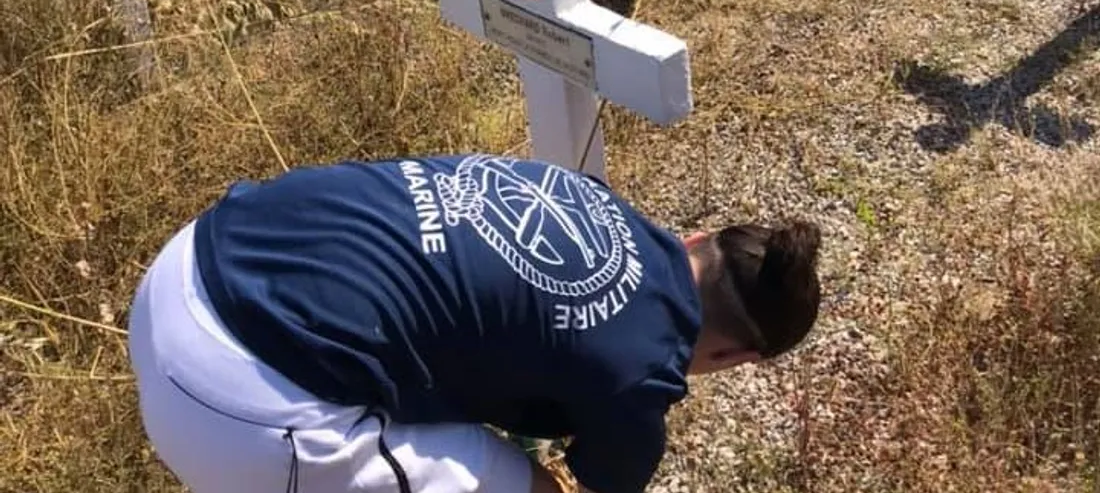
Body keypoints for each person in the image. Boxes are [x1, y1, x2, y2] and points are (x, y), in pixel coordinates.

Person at [127, 152, 823, 493]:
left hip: (190, 259)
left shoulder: (586, 192)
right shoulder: (642, 379)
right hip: (236, 406)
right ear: (734, 358)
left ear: (698, 239)